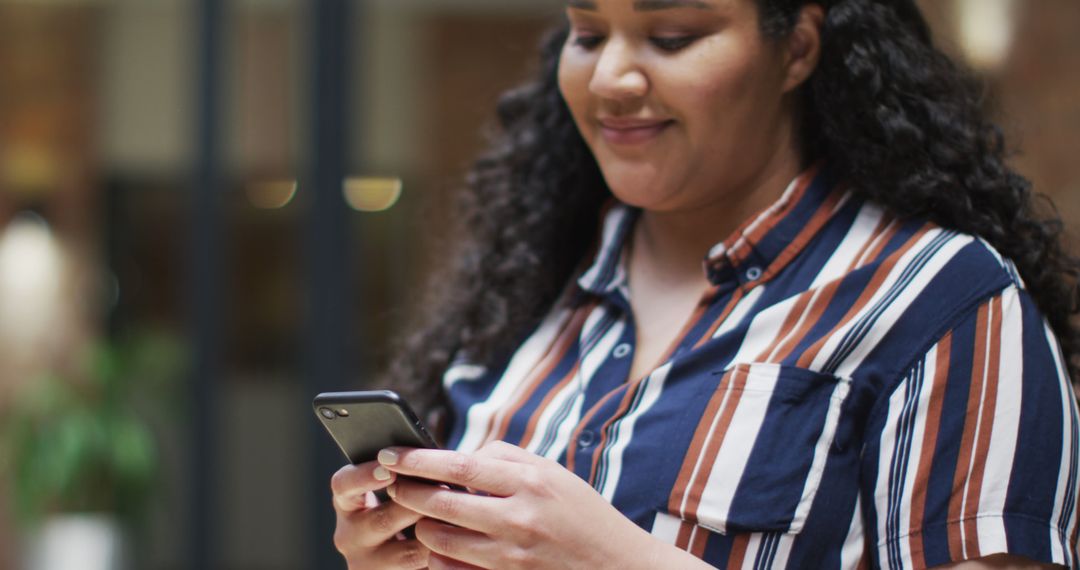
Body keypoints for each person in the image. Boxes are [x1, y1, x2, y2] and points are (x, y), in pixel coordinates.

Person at [330, 0, 1080, 568]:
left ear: (799, 49)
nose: (614, 77)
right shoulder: (529, 287)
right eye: (588, 36)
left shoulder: (942, 303)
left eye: (673, 36)